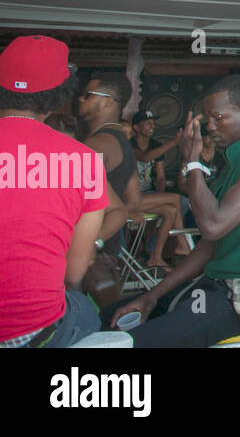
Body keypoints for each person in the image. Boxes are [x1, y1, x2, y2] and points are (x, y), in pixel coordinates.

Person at [107, 73, 240, 347]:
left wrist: (193, 160)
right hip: (215, 285)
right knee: (109, 320)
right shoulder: (238, 158)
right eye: (207, 118)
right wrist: (153, 295)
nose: (210, 126)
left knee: (133, 343)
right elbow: (209, 244)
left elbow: (212, 225)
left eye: (218, 118)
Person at [0, 35, 120, 348]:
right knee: (86, 311)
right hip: (33, 330)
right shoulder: (84, 161)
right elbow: (75, 270)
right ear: (60, 96)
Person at [79, 72, 184, 267]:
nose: (80, 98)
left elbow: (76, 204)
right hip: (108, 248)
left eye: (88, 95)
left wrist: (88, 240)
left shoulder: (97, 145)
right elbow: (133, 201)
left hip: (86, 250)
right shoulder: (122, 142)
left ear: (108, 102)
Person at [129, 110, 191, 266]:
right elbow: (145, 157)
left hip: (147, 194)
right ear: (136, 127)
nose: (152, 126)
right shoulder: (128, 144)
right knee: (176, 198)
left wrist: (160, 195)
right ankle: (182, 244)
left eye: (153, 123)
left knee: (172, 208)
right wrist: (173, 142)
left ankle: (154, 255)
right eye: (148, 123)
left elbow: (161, 176)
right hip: (130, 197)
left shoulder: (156, 145)